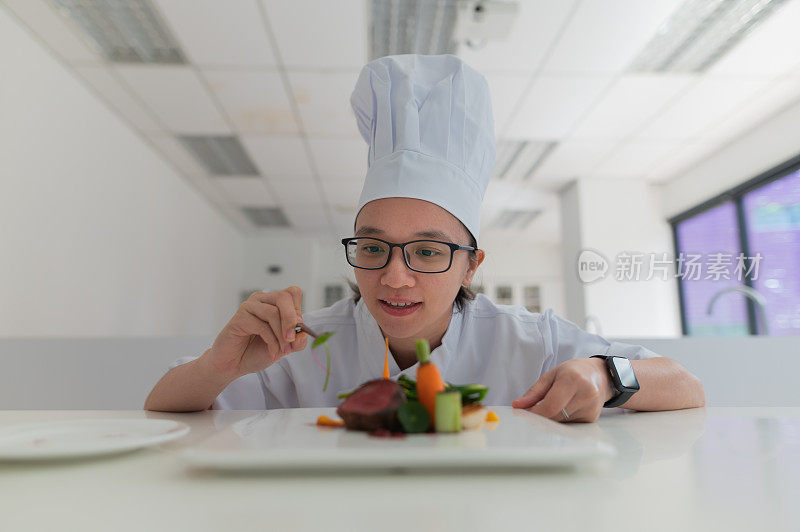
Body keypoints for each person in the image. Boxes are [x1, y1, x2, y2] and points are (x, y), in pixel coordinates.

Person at [145, 54, 705, 421]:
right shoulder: (304, 344)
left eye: (429, 251)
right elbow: (163, 409)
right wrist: (218, 367)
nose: (393, 276)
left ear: (471, 264)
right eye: (372, 247)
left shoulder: (529, 340)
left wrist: (606, 374)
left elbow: (684, 385)